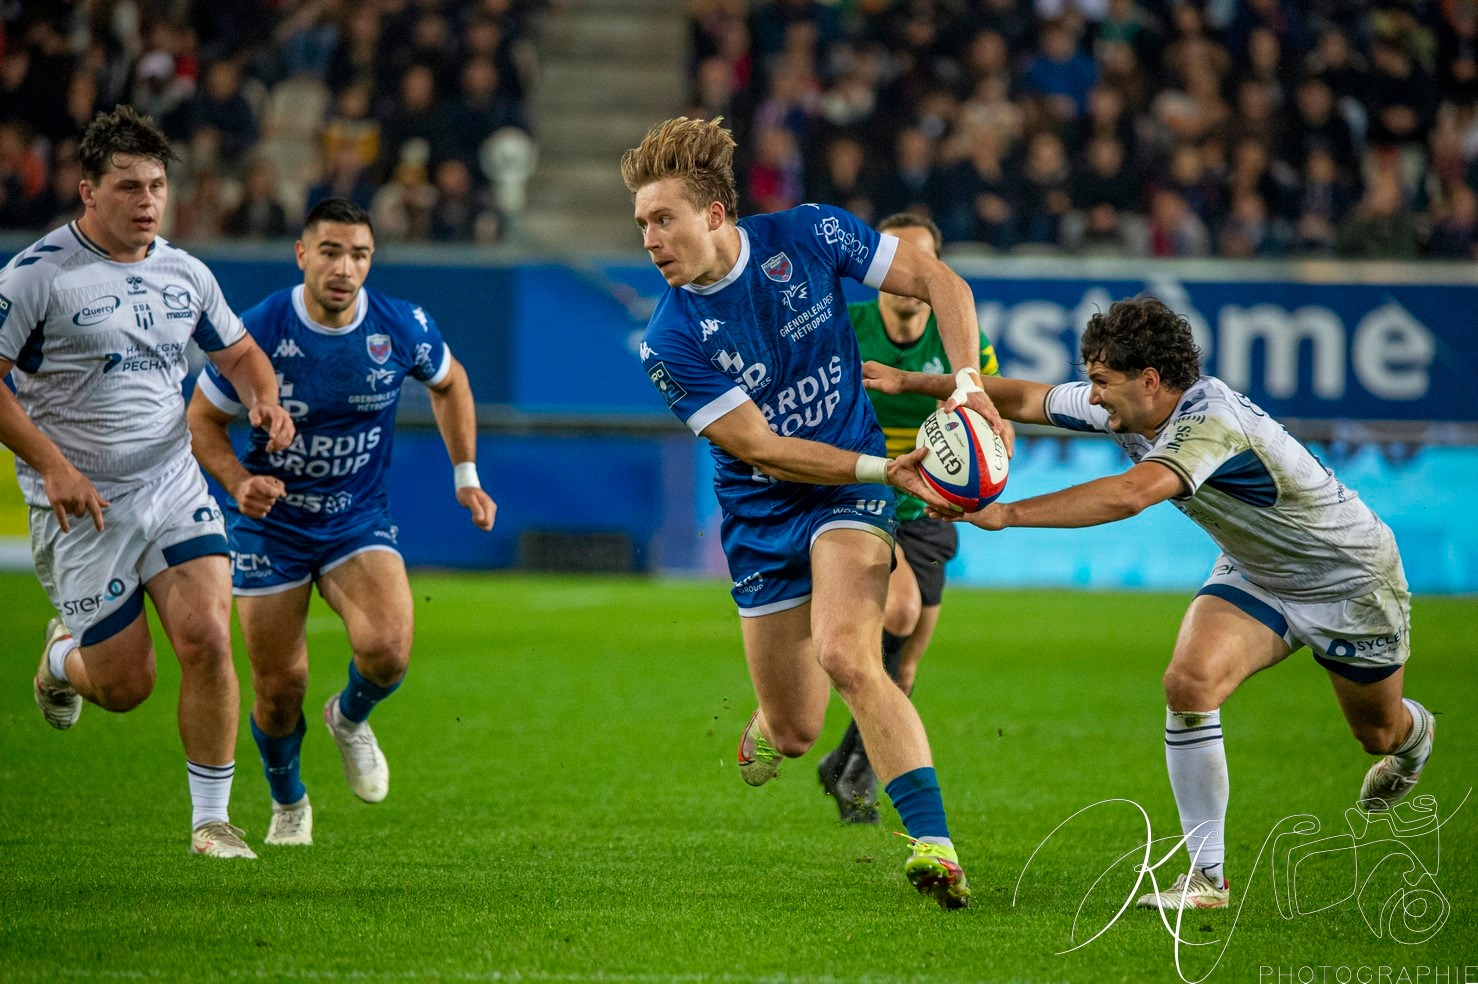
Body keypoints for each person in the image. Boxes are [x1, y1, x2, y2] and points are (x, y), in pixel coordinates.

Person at [865, 295, 1435, 911]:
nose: (1094, 395)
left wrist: (1005, 514)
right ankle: (1207, 880)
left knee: (1376, 733)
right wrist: (912, 382)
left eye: (1102, 382)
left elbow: (1133, 494)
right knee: (1189, 685)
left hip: (1347, 579)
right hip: (1258, 573)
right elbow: (1026, 399)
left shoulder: (1209, 419)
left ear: (1151, 380)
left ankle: (1415, 738)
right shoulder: (1129, 407)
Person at [621, 117, 1008, 910]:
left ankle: (934, 847)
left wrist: (966, 383)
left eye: (664, 219)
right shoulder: (668, 337)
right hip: (764, 513)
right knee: (794, 730)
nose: (651, 240)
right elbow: (761, 448)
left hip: (849, 497)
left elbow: (944, 284)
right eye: (642, 226)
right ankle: (766, 730)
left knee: (847, 655)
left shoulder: (810, 232)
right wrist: (886, 464)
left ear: (717, 215)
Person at [0, 105, 294, 859]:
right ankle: (61, 659)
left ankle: (212, 821)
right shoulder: (36, 278)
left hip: (171, 484)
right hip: (80, 505)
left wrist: (264, 397)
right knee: (127, 687)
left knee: (205, 638)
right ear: (87, 191)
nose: (148, 201)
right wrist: (54, 466)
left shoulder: (184, 271)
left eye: (157, 185)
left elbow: (241, 354)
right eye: (129, 187)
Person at [186, 197, 495, 848]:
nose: (344, 267)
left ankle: (349, 718)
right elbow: (203, 421)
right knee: (279, 687)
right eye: (330, 251)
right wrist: (239, 483)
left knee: (388, 650)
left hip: (357, 516)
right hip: (273, 524)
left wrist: (466, 477)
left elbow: (451, 382)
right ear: (302, 254)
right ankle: (289, 800)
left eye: (359, 254)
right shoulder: (261, 330)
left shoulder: (400, 326)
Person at [817, 212, 1009, 824]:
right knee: (898, 613)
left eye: (921, 263)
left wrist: (989, 464)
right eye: (895, 262)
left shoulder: (967, 347)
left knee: (906, 666)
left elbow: (992, 422)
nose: (907, 279)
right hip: (866, 496)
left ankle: (847, 765)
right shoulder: (848, 328)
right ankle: (863, 774)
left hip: (931, 505)